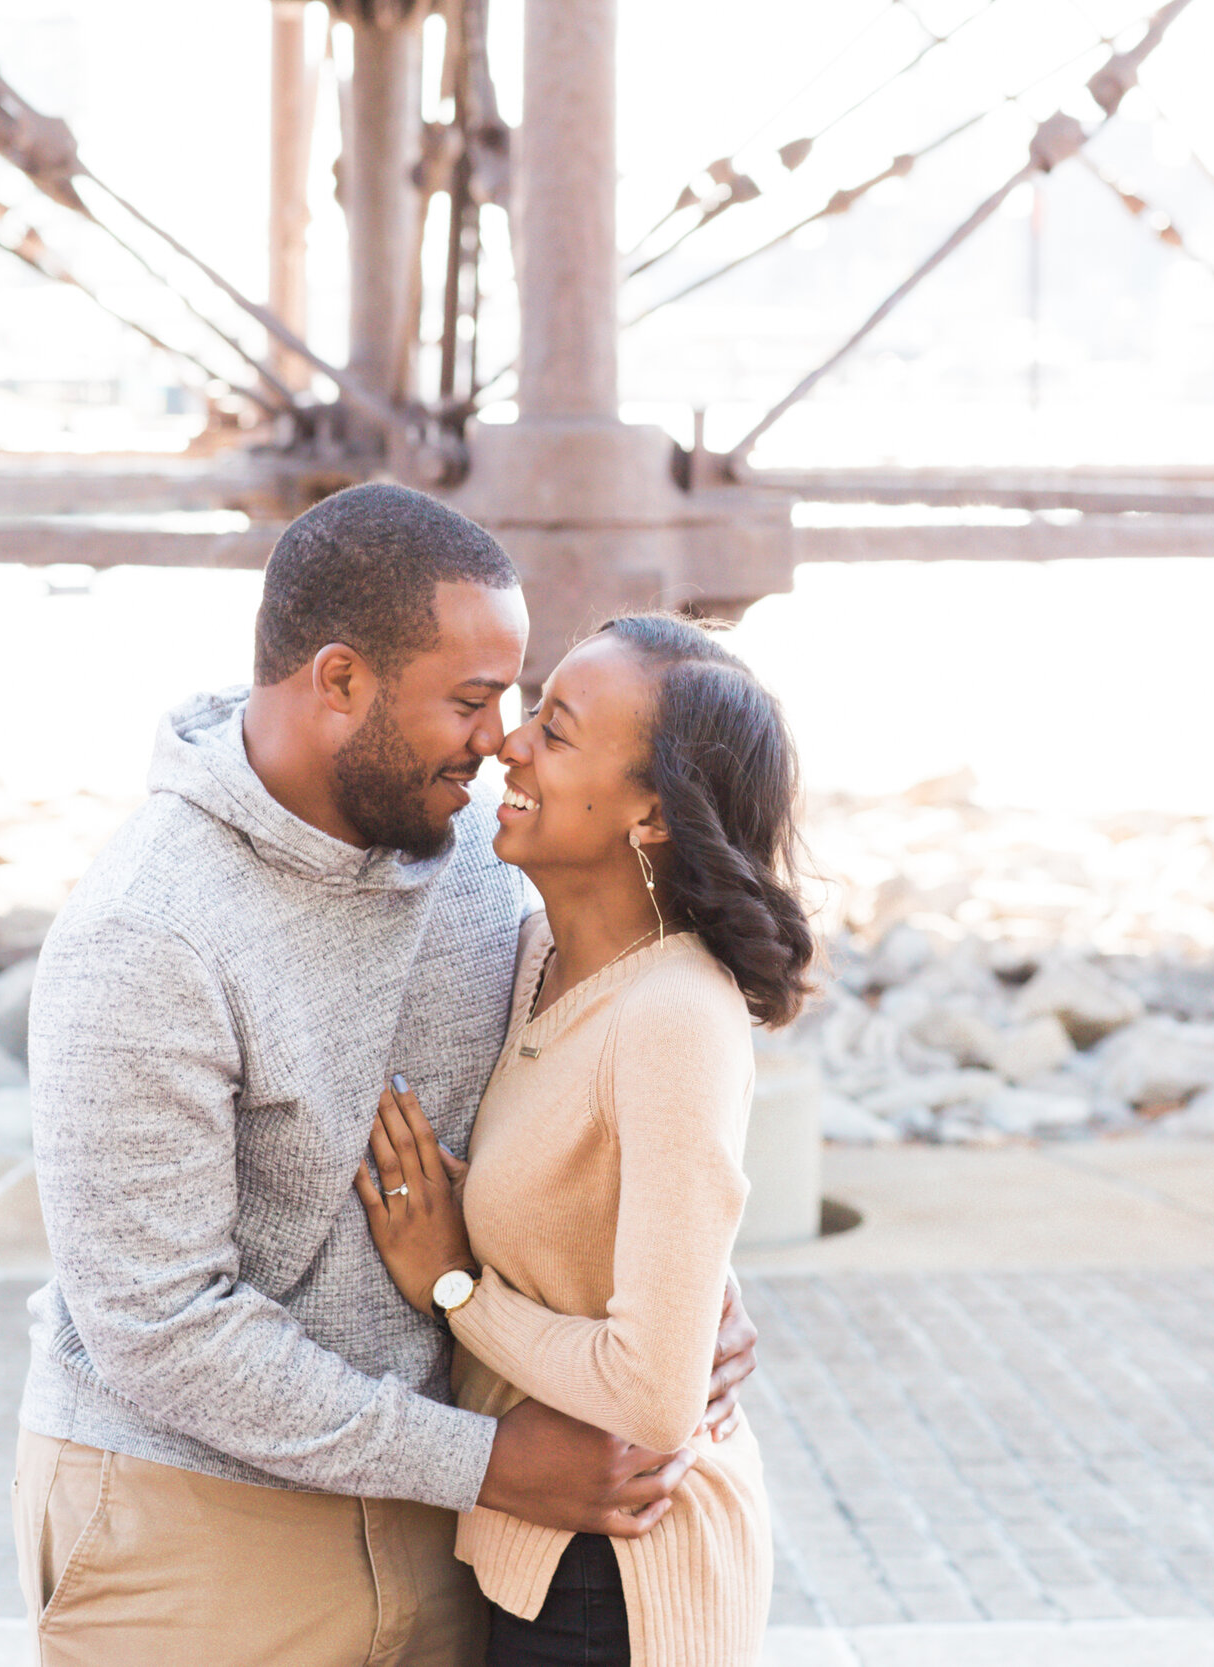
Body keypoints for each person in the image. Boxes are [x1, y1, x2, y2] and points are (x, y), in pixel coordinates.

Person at [11, 486, 758, 1667]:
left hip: (464, 1527)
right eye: (471, 701)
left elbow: (590, 1088)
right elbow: (155, 1324)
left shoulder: (478, 847)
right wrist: (490, 1457)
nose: (501, 739)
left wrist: (675, 1286)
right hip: (201, 1526)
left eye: (517, 705)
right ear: (341, 680)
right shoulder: (144, 933)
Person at [356, 614, 812, 1667]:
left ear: (651, 811)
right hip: (542, 1551)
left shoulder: (672, 1016)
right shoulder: (535, 955)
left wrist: (454, 1286)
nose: (509, 743)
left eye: (554, 731)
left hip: (625, 1575)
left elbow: (655, 1393)